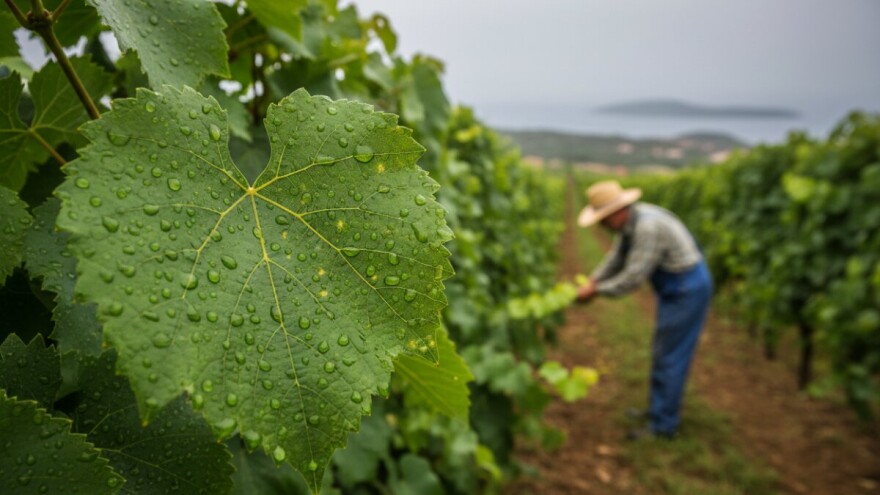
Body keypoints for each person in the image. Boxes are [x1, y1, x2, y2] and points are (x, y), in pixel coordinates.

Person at [576, 180, 713, 440]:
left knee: (670, 356)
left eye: (603, 219)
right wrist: (593, 280)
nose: (602, 226)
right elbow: (617, 258)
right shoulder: (633, 221)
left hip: (687, 288)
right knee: (663, 350)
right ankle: (658, 410)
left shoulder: (647, 228)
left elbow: (632, 277)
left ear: (617, 212)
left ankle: (664, 426)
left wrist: (596, 291)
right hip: (676, 286)